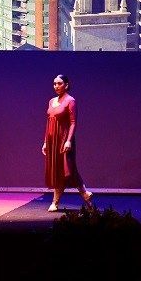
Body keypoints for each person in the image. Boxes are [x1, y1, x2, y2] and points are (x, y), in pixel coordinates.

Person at [42, 75, 93, 211]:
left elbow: (73, 122)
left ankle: (83, 194)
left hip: (64, 140)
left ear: (66, 85)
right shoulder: (51, 101)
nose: (56, 86)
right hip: (52, 141)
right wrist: (45, 142)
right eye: (54, 84)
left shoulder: (70, 100)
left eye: (59, 83)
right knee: (57, 170)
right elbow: (48, 122)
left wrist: (69, 140)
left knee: (68, 169)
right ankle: (78, 197)